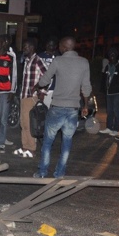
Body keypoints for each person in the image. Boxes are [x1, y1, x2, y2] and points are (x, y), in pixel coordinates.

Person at [33, 36, 92, 178]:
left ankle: (42, 172)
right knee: (66, 142)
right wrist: (85, 105)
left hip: (57, 107)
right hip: (73, 109)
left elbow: (45, 79)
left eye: (60, 46)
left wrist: (37, 86)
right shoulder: (84, 62)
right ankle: (59, 173)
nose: (58, 48)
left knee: (47, 142)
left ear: (65, 47)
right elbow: (86, 87)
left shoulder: (58, 60)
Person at [15, 38, 48, 158]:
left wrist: (42, 91)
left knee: (30, 123)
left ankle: (31, 148)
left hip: (31, 97)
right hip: (24, 95)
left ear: (32, 48)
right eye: (24, 47)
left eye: (26, 47)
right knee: (23, 123)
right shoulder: (27, 60)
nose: (24, 48)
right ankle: (25, 146)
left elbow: (47, 76)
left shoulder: (37, 61)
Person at [99, 47, 119, 136]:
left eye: (113, 54)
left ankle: (116, 129)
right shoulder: (107, 66)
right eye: (110, 54)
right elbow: (103, 79)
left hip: (117, 92)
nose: (112, 56)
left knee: (116, 111)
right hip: (108, 92)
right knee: (109, 111)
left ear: (116, 55)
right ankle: (109, 127)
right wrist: (103, 90)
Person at [37, 36, 59, 107]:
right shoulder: (40, 56)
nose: (49, 47)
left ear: (55, 46)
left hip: (53, 89)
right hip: (40, 88)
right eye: (48, 45)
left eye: (51, 45)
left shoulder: (58, 58)